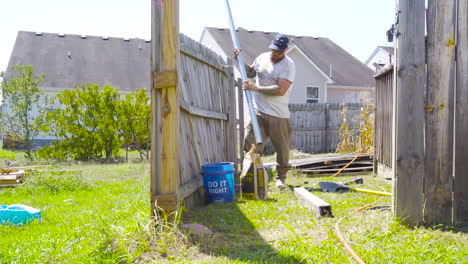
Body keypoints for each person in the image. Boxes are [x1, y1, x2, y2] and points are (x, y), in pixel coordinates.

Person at [233, 34, 296, 189]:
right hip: (258, 111)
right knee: (250, 144)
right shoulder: (262, 58)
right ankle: (250, 176)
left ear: (286, 50)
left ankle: (280, 178)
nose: (275, 54)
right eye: (273, 50)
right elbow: (251, 73)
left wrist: (256, 88)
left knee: (282, 149)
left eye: (279, 52)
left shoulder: (289, 65)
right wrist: (239, 59)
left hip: (278, 115)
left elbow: (280, 89)